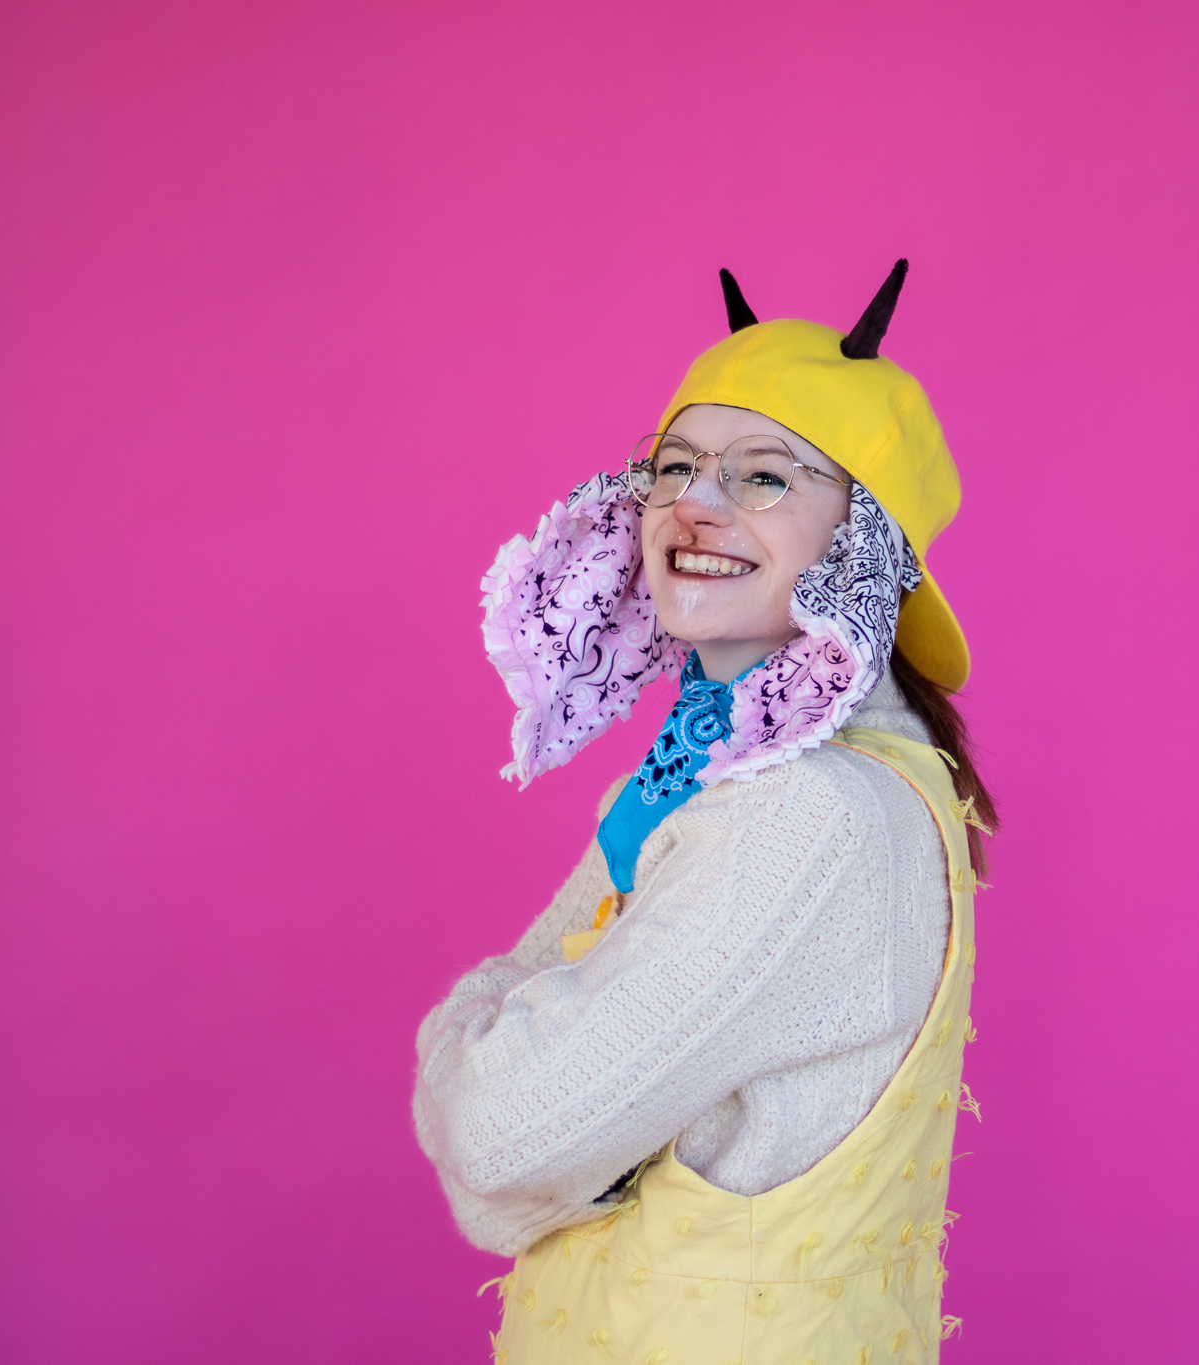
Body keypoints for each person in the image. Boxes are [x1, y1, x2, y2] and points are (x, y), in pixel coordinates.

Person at [414, 261, 994, 1365]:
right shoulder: (720, 775)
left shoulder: (804, 816)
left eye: (765, 475)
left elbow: (497, 1138)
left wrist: (470, 1033)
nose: (694, 502)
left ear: (861, 545)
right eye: (676, 464)